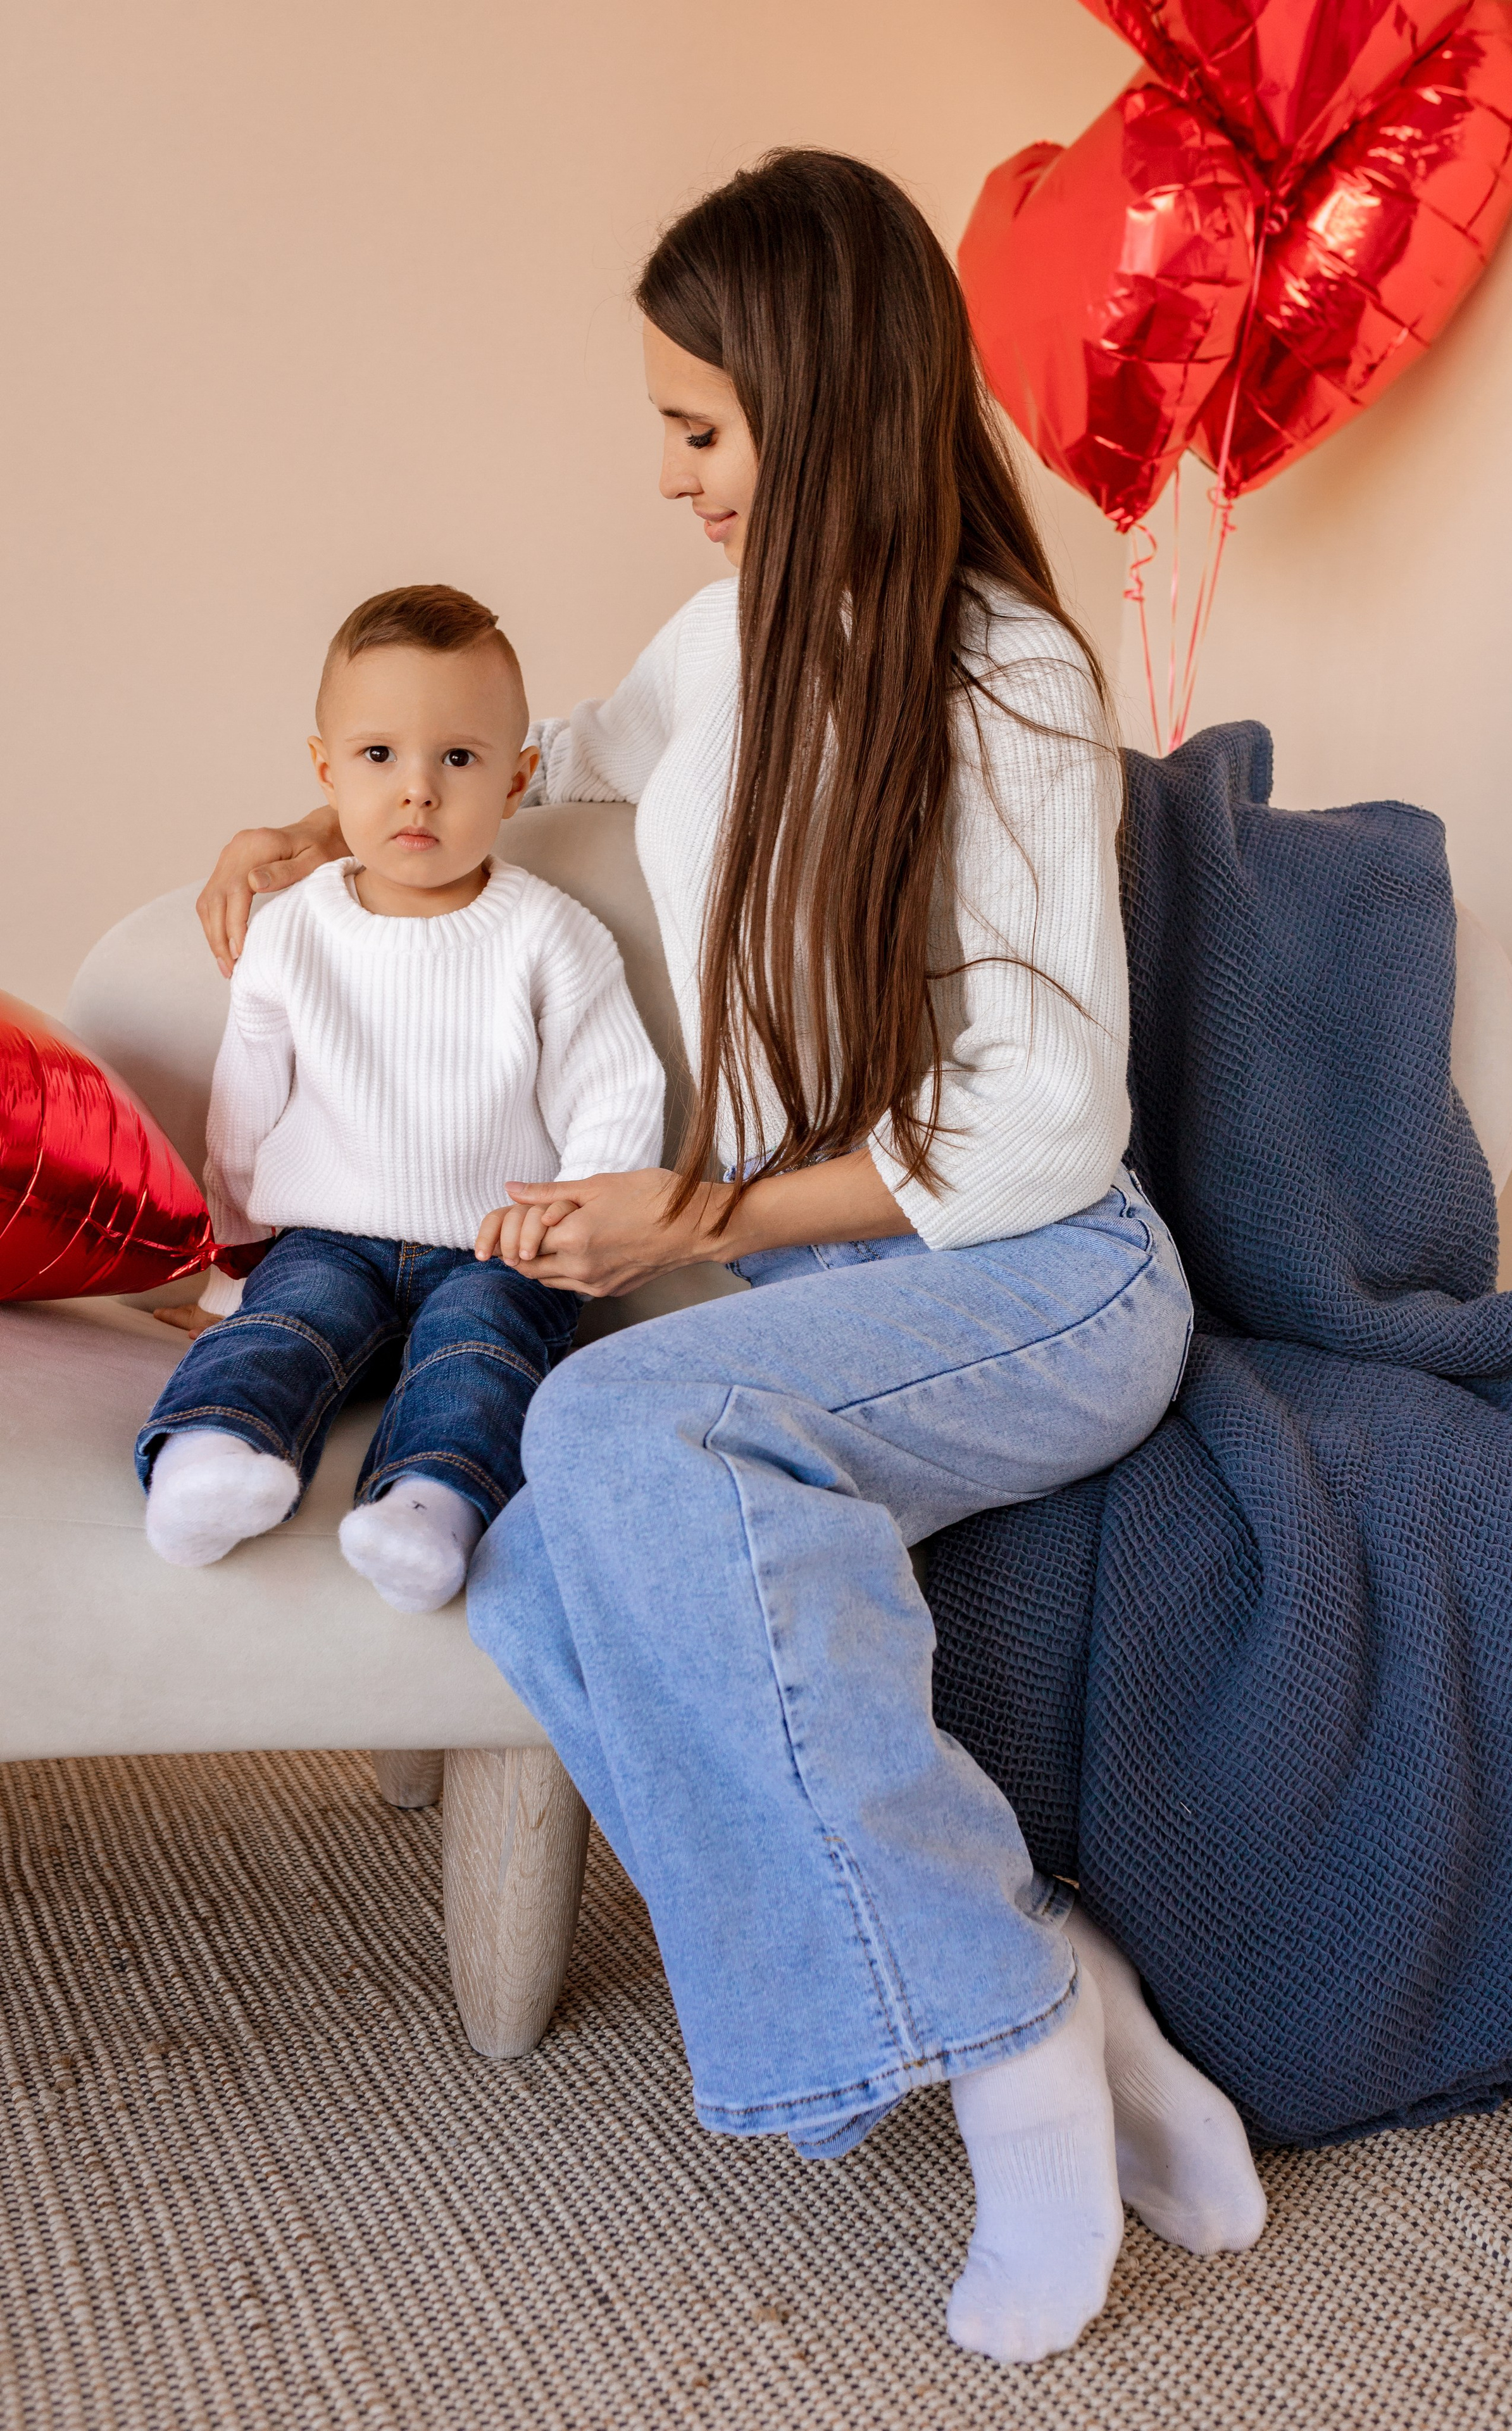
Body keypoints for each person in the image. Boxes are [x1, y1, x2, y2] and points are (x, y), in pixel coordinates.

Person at [195, 152, 1266, 2363]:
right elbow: (553, 755)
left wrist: (701, 1212)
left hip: (1046, 1271)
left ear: (828, 396)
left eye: (701, 422)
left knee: (605, 1413)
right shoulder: (728, 637)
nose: (669, 470)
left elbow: (1045, 1113)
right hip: (823, 1288)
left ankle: (1003, 2054)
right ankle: (1043, 1959)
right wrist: (356, 820)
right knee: (520, 1556)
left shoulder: (1015, 687)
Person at [140, 584, 663, 1612]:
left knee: (483, 1350)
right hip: (326, 1234)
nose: (417, 791)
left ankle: (430, 1505)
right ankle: (213, 1454)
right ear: (325, 770)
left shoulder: (550, 936)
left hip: (494, 1244)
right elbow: (246, 1105)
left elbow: (615, 1090)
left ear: (516, 782)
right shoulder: (294, 931)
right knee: (285, 1324)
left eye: (458, 759)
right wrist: (224, 1269)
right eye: (380, 757)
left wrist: (567, 1225)